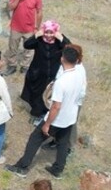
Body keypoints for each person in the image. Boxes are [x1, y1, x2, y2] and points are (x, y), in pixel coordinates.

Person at [7, 44, 86, 179]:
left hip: (58, 119)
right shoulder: (79, 74)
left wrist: (47, 124)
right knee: (62, 143)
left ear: (62, 59)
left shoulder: (62, 81)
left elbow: (56, 106)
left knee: (34, 139)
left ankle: (22, 167)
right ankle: (58, 169)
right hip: (70, 117)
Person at [19, 21, 67, 119]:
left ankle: (46, 113)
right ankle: (36, 115)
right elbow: (27, 45)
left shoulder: (59, 42)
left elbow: (70, 48)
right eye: (46, 32)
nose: (49, 35)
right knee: (37, 94)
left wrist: (61, 38)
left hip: (52, 75)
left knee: (49, 95)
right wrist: (36, 35)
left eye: (51, 32)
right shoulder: (39, 40)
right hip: (38, 73)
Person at [4, 0, 42, 75]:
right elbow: (10, 8)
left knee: (29, 49)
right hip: (16, 27)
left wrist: (36, 27)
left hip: (29, 28)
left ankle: (25, 66)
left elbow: (39, 12)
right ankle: (12, 65)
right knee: (12, 47)